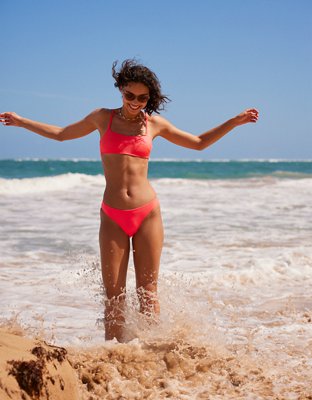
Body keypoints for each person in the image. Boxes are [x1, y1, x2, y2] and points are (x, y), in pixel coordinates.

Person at [0, 59, 259, 342]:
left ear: (150, 98)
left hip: (147, 213)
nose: (135, 102)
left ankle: (151, 357)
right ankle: (114, 359)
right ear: (121, 90)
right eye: (130, 95)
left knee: (148, 294)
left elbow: (198, 142)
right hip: (112, 215)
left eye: (142, 98)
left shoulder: (154, 124)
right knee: (114, 299)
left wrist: (235, 121)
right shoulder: (102, 118)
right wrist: (22, 122)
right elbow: (62, 135)